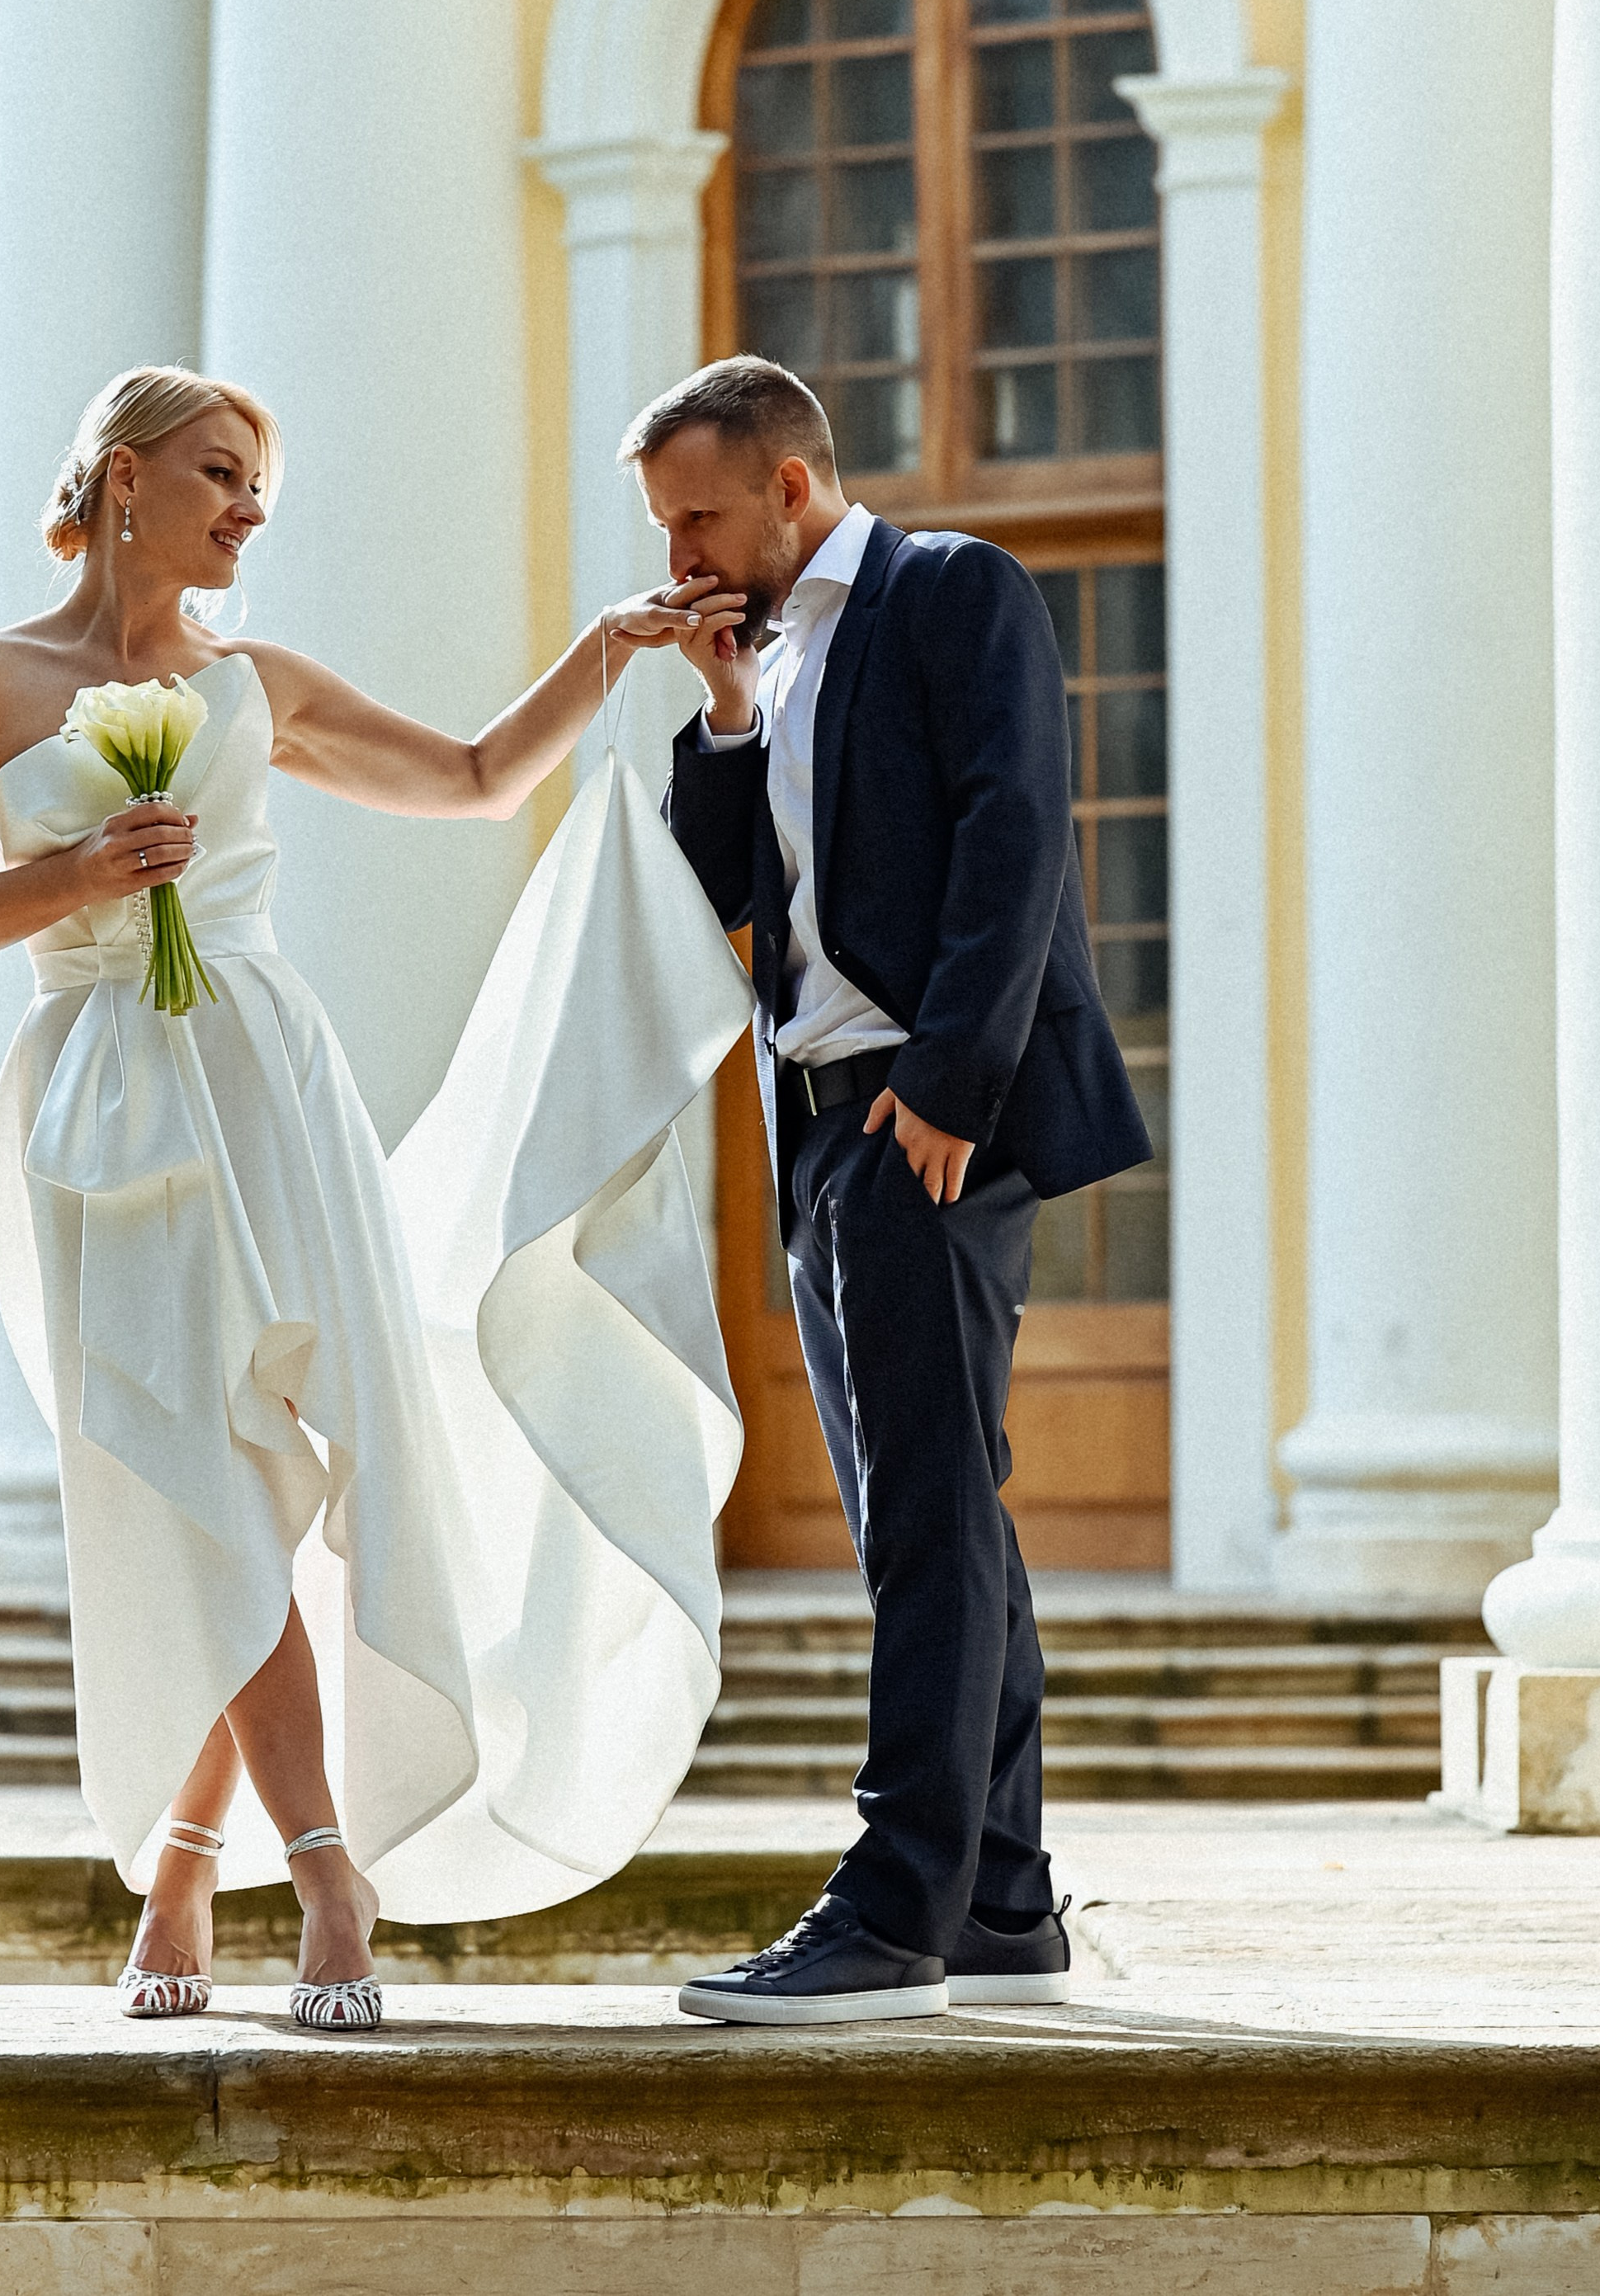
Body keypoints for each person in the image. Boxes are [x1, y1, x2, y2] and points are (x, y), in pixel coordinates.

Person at [0, 365, 742, 2030]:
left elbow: (482, 774)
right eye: (219, 470)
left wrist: (612, 647)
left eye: (259, 479)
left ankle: (200, 1857)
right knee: (198, 1470)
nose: (247, 505)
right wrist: (74, 874)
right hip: (97, 1115)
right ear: (125, 477)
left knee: (277, 1471)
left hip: (269, 1090)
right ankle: (323, 1865)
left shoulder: (256, 684)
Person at [631, 355, 1152, 2026]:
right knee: (929, 1510)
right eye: (663, 523)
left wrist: (946, 1079)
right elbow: (719, 880)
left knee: (925, 1510)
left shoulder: (948, 590)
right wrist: (719, 703)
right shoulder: (767, 659)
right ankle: (1000, 1899)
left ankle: (892, 1905)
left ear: (789, 483)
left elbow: (1018, 829)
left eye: (699, 510)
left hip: (922, 1111)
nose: (681, 547)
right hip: (819, 1116)